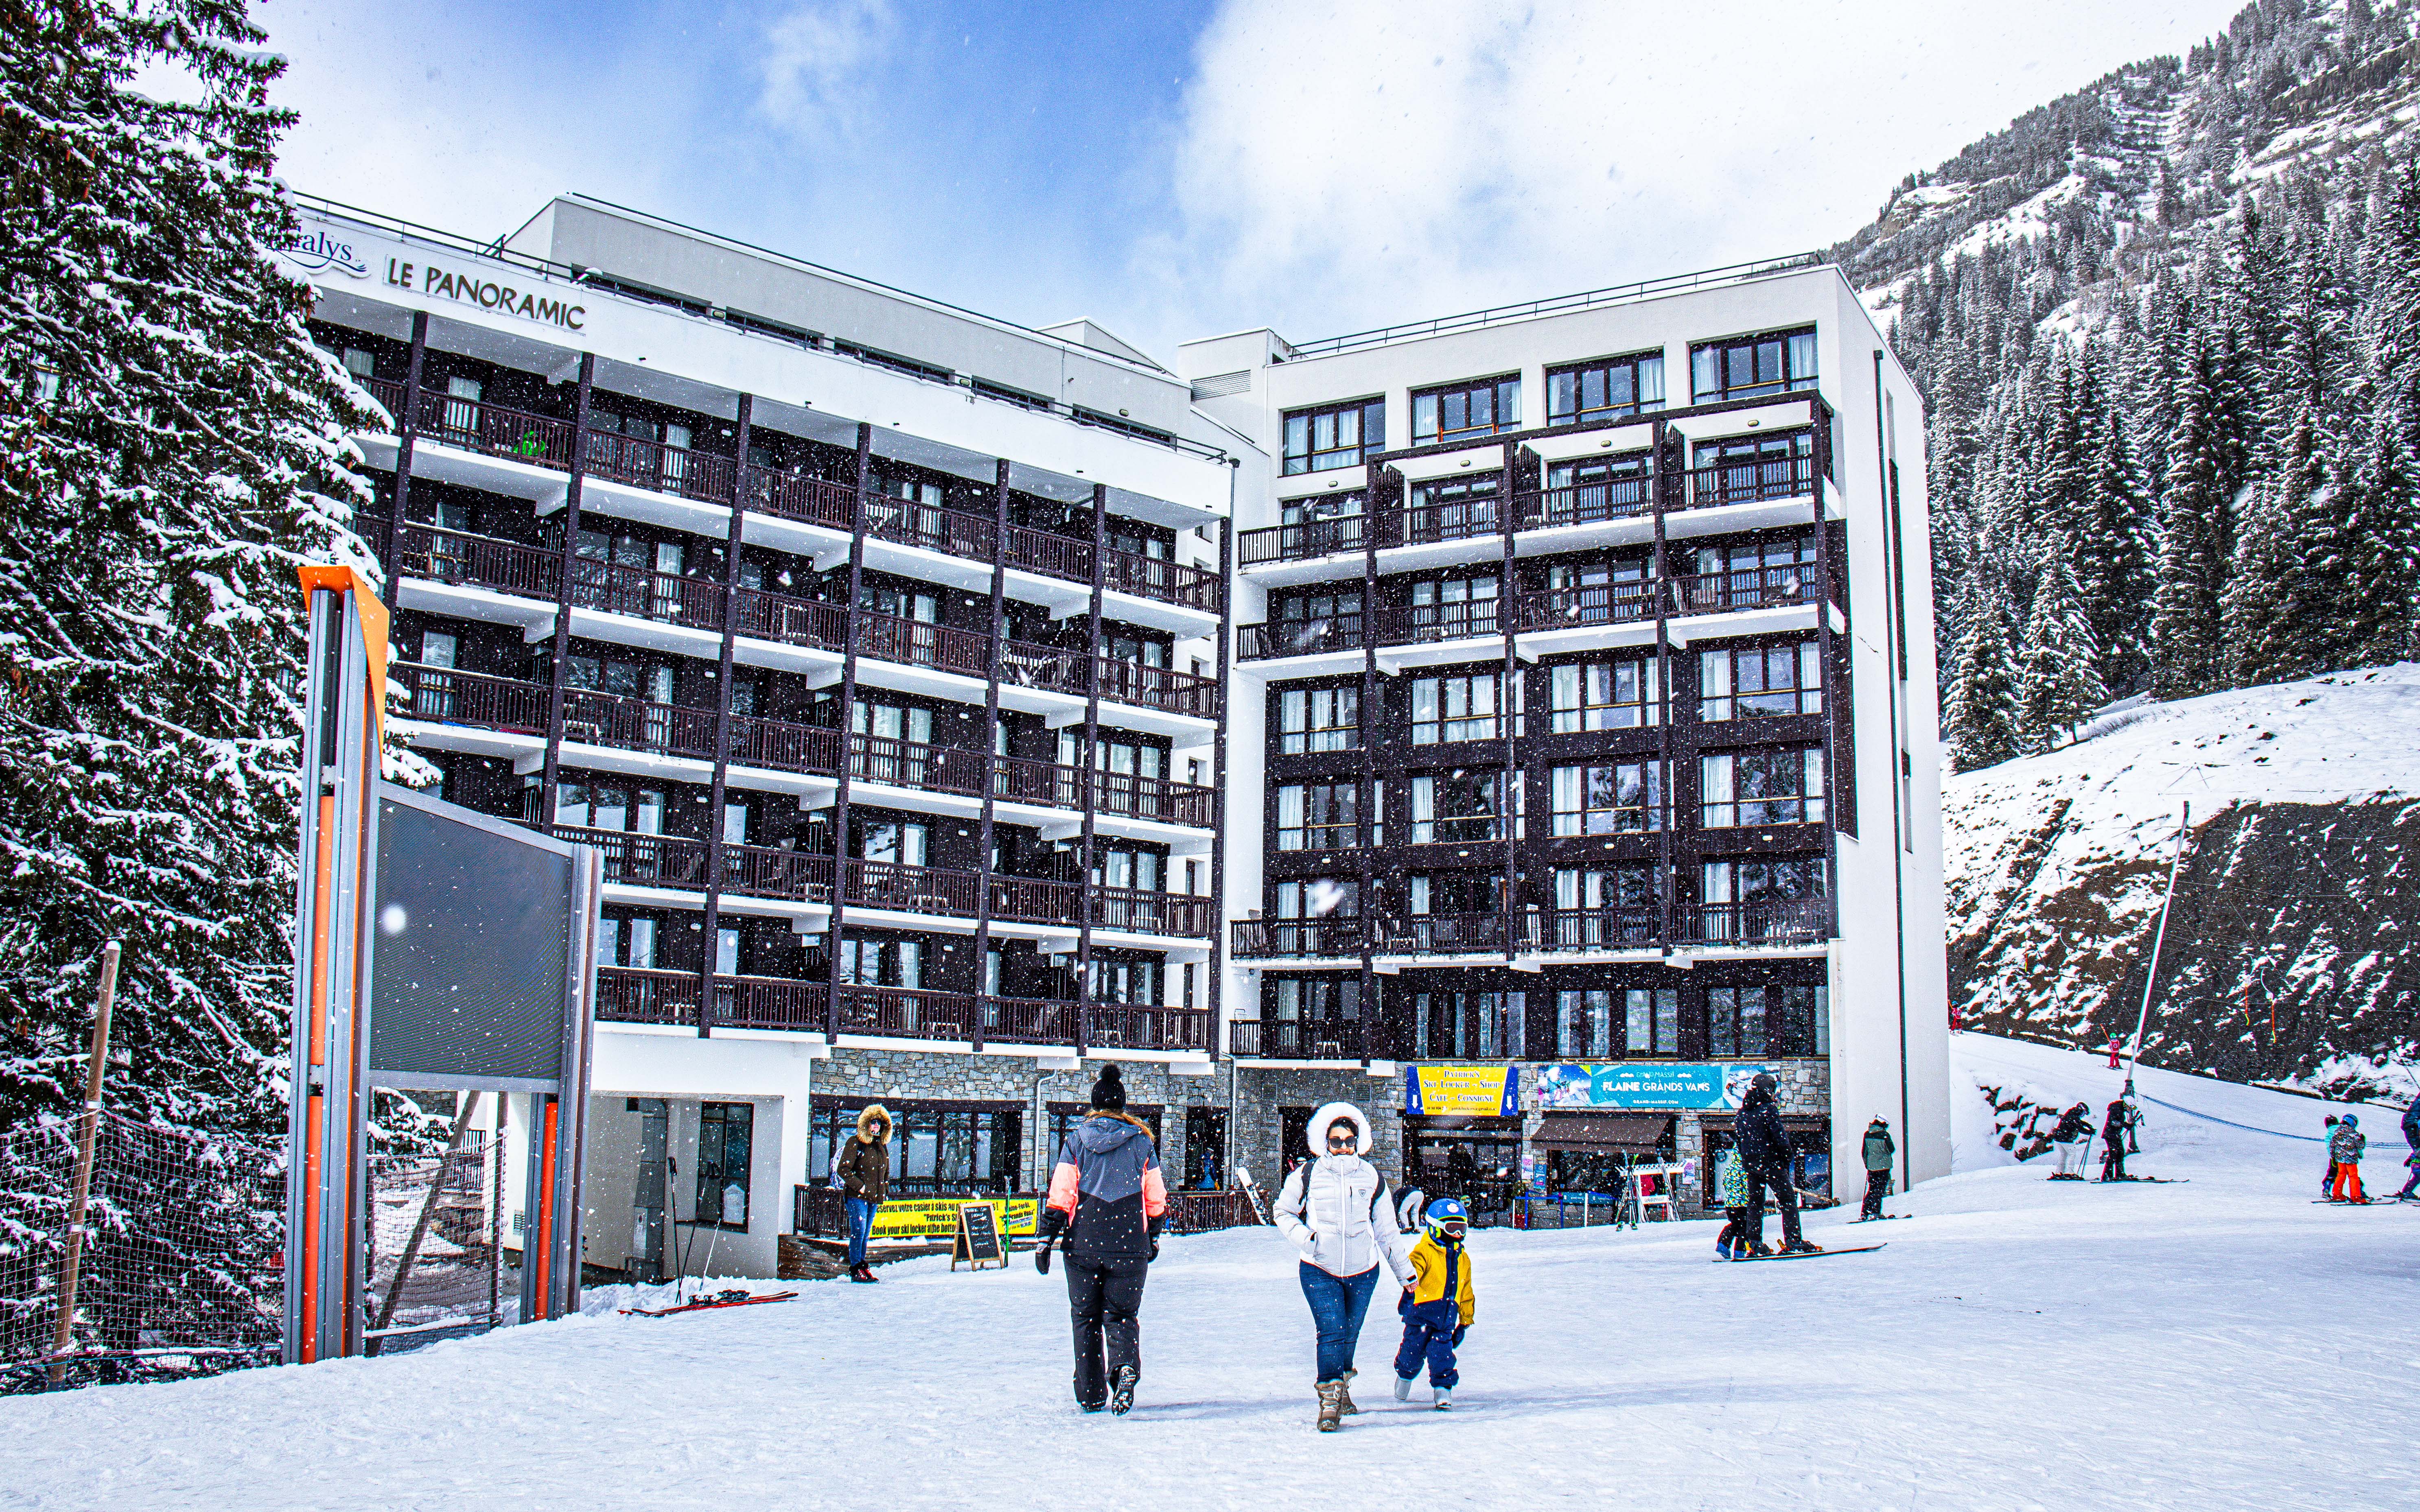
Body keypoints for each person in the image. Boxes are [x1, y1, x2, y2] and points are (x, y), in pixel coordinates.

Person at [1273, 1101, 1415, 1433]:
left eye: (1349, 1140)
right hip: (1318, 1268)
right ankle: (1329, 1402)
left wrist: (1406, 1274)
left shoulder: (1371, 1177)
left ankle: (1342, 1387)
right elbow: (1283, 1211)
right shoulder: (1307, 1174)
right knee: (1332, 1330)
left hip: (1363, 1271)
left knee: (1349, 1334)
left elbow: (1386, 1231)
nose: (1343, 1146)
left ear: (1358, 1141)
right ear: (1326, 1142)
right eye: (1336, 1140)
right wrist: (1306, 1239)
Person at [1038, 1064, 1167, 1415]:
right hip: (1129, 1246)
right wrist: (1152, 1235)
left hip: (1084, 1243)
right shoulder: (1142, 1143)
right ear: (1122, 1106)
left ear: (1094, 1104)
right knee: (1122, 1315)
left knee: (1085, 1317)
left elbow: (1062, 1193)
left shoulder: (1077, 1140)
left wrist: (1045, 1238)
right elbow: (1156, 1197)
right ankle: (1124, 1367)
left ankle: (1092, 1392)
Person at [1393, 1197, 1475, 1410]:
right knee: (1412, 1353)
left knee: (1442, 1355)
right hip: (1421, 1314)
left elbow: (1466, 1290)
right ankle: (1404, 1377)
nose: (1458, 1234)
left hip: (1446, 1318)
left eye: (1462, 1228)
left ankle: (1443, 1389)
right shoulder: (1425, 1251)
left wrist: (1465, 1320)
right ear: (1436, 1228)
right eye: (1452, 1228)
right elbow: (1413, 1268)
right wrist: (1410, 1282)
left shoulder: (1463, 1259)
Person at [1736, 1072, 1818, 1254]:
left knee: (1755, 1204)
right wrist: (1786, 1158)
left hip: (1752, 1165)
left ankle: (1755, 1244)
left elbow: (1740, 1140)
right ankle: (1794, 1241)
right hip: (1771, 1163)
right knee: (1788, 1201)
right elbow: (1780, 1137)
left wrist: (1749, 1160)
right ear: (1768, 1090)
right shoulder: (1769, 1109)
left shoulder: (1742, 1113)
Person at [832, 1103, 891, 1283]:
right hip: (857, 1197)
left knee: (865, 1234)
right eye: (873, 1122)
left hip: (873, 1198)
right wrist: (860, 1187)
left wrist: (884, 1190)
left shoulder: (881, 1146)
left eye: (879, 1123)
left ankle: (862, 1266)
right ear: (866, 1124)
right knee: (858, 1231)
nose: (876, 1126)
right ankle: (856, 1268)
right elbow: (843, 1169)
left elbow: (885, 1171)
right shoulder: (855, 1143)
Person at [1713, 1145, 1755, 1258]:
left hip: (1730, 1204)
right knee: (1744, 1228)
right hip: (1743, 1204)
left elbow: (1726, 1185)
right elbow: (1748, 1187)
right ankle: (1740, 1251)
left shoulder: (1729, 1169)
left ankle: (1723, 1244)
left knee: (1735, 1225)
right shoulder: (1745, 1169)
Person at [1859, 1117, 1896, 1218]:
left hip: (1872, 1168)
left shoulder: (1867, 1134)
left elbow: (1864, 1152)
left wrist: (1868, 1165)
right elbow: (1891, 1149)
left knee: (1872, 1189)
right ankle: (1875, 1212)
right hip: (1883, 1167)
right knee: (1879, 1190)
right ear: (1883, 1124)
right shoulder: (1884, 1135)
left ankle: (1865, 1213)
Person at [2327, 1113, 2367, 1204]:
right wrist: (2362, 1140)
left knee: (2341, 1175)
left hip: (2340, 1159)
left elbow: (2332, 1145)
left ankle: (2337, 1194)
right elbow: (2360, 1146)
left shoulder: (2337, 1132)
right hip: (2351, 1160)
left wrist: (2333, 1156)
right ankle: (2356, 1197)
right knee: (2353, 1177)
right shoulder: (2353, 1134)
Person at [2048, 1101, 2095, 1180]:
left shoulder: (2071, 1114)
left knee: (2064, 1155)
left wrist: (2089, 1126)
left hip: (2059, 1138)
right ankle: (2069, 1173)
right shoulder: (2075, 1117)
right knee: (2072, 1154)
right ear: (2081, 1110)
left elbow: (2080, 1123)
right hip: (2066, 1139)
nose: (2082, 1115)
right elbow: (2080, 1127)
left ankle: (2059, 1173)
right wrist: (2090, 1132)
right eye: (2083, 1113)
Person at [2098, 1098, 2138, 1182]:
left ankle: (2120, 1174)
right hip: (2110, 1135)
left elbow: (2118, 1123)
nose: (2130, 1110)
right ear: (2126, 1104)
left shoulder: (2120, 1109)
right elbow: (2114, 1122)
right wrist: (2125, 1125)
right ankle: (2107, 1176)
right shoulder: (2116, 1109)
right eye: (2130, 1108)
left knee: (2120, 1153)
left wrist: (2128, 1125)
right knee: (2113, 1154)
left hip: (2115, 1135)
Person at [2399, 1103, 2420, 1202]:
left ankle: (2407, 1191)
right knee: (2417, 1179)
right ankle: (2407, 1192)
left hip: (2416, 1165)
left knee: (2416, 1179)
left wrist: (2410, 1160)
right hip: (2418, 1165)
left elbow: (2416, 1152)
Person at [2322, 1114, 2341, 1197]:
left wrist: (2332, 1156)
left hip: (2333, 1157)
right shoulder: (2342, 1130)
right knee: (2350, 1174)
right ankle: (2359, 1192)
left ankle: (2327, 1188)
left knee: (2332, 1172)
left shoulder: (2328, 1134)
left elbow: (2328, 1146)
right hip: (2346, 1156)